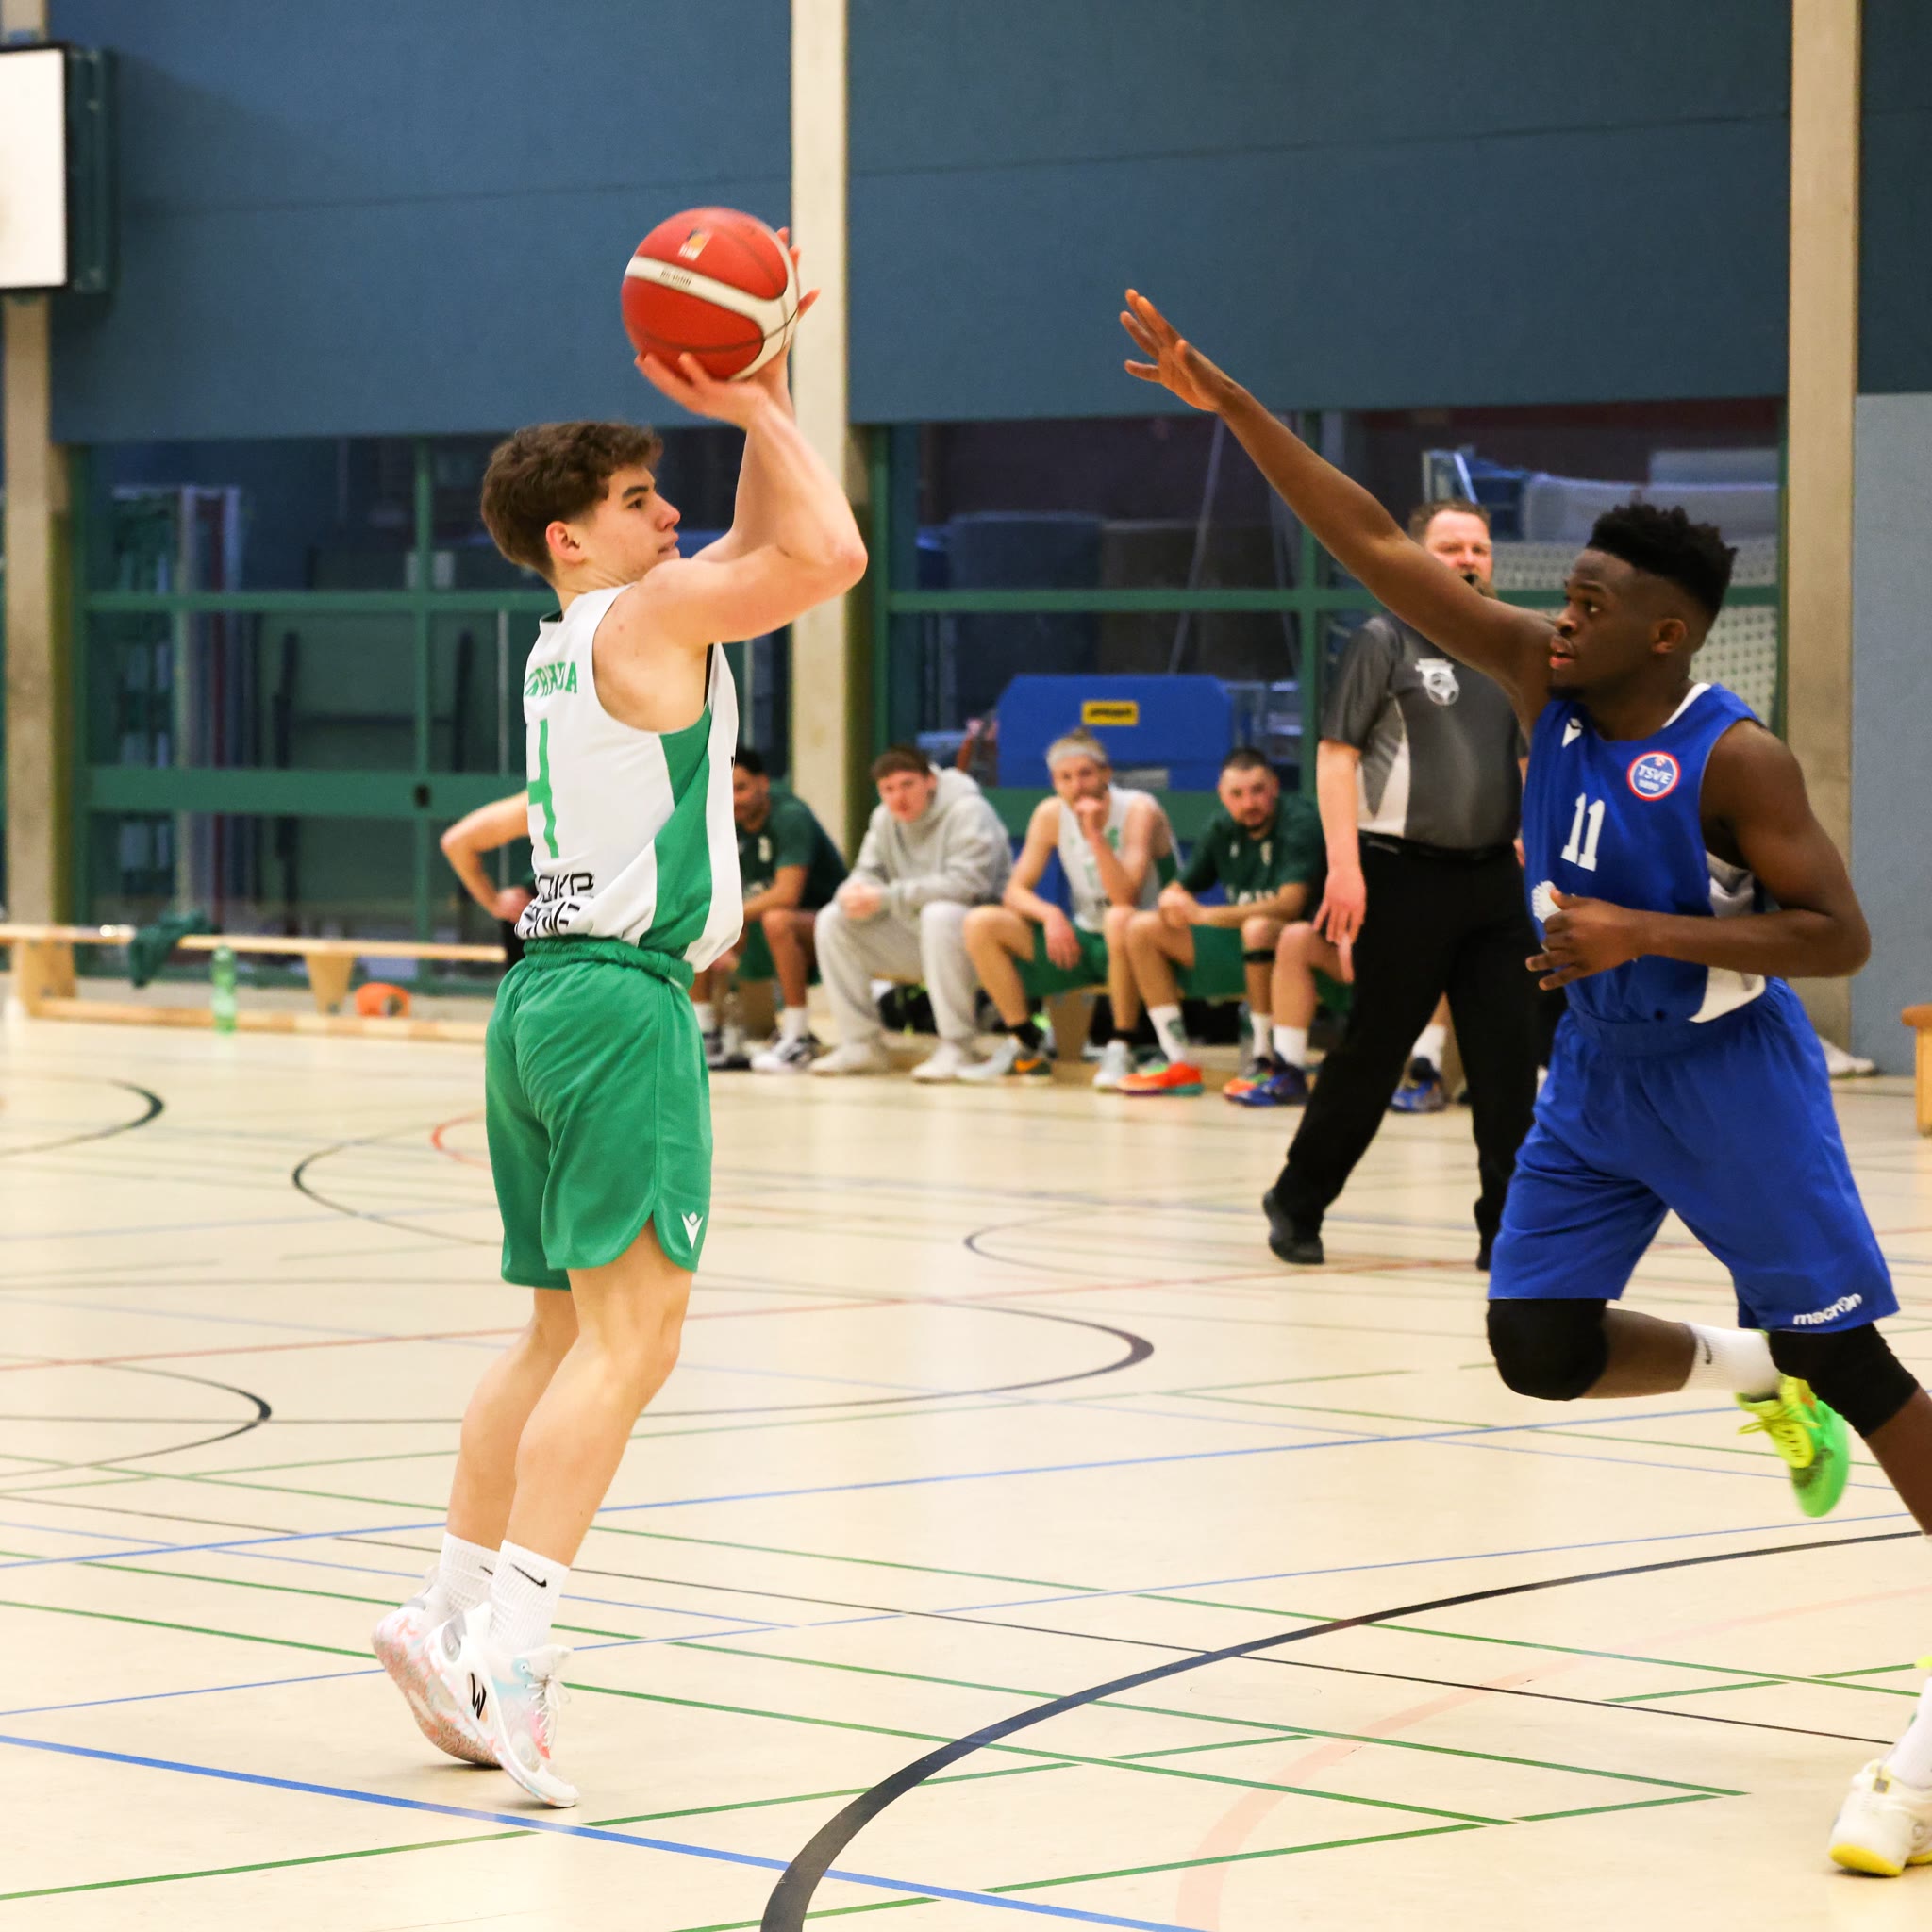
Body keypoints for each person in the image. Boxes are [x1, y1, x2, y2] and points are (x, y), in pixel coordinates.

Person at [1121, 288, 1932, 1875]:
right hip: (1599, 1077)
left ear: (1668, 633)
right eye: (1567, 591)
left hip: (1730, 1073)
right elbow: (1372, 540)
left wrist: (1643, 928)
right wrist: (1233, 407)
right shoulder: (1534, 678)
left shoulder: (1734, 755)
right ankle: (1745, 1372)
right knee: (1536, 1348)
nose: (1562, 612)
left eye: (1597, 599)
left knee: (1851, 1355)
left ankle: (1805, 1381)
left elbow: (1838, 932)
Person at [371, 244, 865, 1809]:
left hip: (538, 1002)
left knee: (554, 1335)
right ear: (572, 536)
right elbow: (830, 553)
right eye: (645, 500)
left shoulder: (567, 636)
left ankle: (446, 1611)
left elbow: (767, 541)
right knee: (635, 1343)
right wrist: (761, 397)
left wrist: (759, 399)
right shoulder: (645, 613)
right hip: (620, 1006)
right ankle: (513, 1652)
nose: (673, 516)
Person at [1255, 496, 1538, 1256]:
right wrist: (1345, 868)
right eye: (1450, 547)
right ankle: (1297, 1200)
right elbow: (1336, 757)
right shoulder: (1383, 640)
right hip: (1399, 876)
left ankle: (1507, 1233)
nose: (1468, 560)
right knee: (1374, 1054)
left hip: (1494, 884)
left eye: (1478, 548)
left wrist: (1533, 840)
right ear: (1414, 559)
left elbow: (1527, 760)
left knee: (1507, 1063)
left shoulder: (1512, 647)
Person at [959, 727, 1171, 1086]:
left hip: (1150, 940)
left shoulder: (1139, 809)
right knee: (982, 923)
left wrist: (1095, 836)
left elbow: (1126, 898)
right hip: (1090, 936)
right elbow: (1014, 892)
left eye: (1086, 774)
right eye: (1065, 777)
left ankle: (1123, 1045)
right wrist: (1051, 914)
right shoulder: (1050, 814)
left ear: (1106, 774)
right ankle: (1025, 1044)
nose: (1077, 786)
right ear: (1054, 782)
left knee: (1119, 917)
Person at [1113, 748, 1324, 1096]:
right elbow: (1179, 888)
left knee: (1258, 928)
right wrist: (1171, 901)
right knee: (1140, 928)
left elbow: (1290, 905)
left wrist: (1204, 915)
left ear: (1274, 787)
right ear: (1222, 795)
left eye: (1257, 791)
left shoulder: (1299, 821)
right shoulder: (1221, 827)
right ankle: (1177, 1059)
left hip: (1297, 947)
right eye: (1237, 794)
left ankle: (1264, 1055)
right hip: (1239, 943)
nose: (1248, 803)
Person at [810, 745, 1012, 1081]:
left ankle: (958, 1046)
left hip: (980, 940)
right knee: (832, 919)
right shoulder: (883, 819)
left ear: (930, 781)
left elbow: (969, 885)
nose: (898, 797)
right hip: (918, 936)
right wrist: (853, 891)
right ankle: (861, 1044)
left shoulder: (968, 810)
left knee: (939, 915)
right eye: (888, 789)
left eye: (907, 785)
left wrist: (888, 897)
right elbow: (868, 872)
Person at [683, 746, 845, 1074]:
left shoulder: (789, 816)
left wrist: (730, 918)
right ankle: (704, 1033)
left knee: (776, 919)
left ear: (763, 783)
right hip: (762, 924)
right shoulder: (725, 820)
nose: (734, 799)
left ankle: (797, 1037)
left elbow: (787, 894)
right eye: (726, 790)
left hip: (831, 925)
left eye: (741, 788)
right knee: (701, 918)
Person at [440, 790, 536, 966]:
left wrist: (495, 902)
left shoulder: (551, 795)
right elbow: (456, 843)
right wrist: (495, 902)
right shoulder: (550, 797)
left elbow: (456, 842)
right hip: (551, 946)